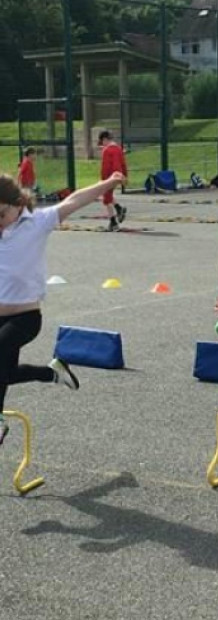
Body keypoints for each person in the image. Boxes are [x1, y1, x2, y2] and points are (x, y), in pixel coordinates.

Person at [0, 171, 127, 445]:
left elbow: (75, 200)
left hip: (24, 318)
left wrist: (109, 182)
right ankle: (52, 372)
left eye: (1, 214)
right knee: (4, 372)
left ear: (19, 203)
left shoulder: (37, 222)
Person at [98, 130, 128, 231]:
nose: (102, 144)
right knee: (108, 196)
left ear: (105, 139)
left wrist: (103, 179)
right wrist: (125, 176)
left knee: (106, 198)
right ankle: (119, 208)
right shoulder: (118, 149)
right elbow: (123, 163)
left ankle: (113, 222)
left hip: (110, 176)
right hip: (118, 175)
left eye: (102, 142)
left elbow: (105, 166)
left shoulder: (107, 151)